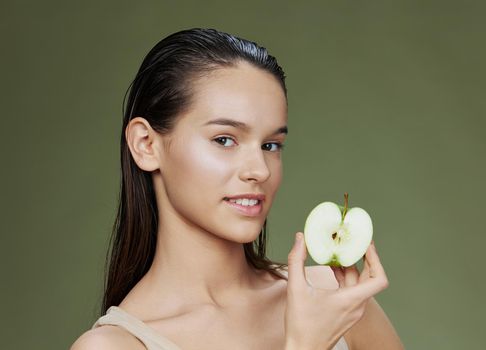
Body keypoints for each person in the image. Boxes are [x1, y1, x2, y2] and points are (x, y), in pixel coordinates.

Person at [70, 28, 404, 350]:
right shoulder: (112, 345)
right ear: (146, 145)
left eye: (271, 145)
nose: (259, 170)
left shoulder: (333, 301)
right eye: (225, 140)